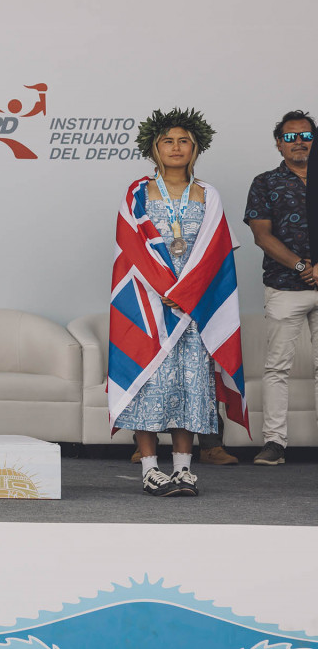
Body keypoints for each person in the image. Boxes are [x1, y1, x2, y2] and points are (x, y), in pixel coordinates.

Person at [108, 109, 248, 496]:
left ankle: (184, 469)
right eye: (167, 141)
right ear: (153, 148)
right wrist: (163, 290)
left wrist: (188, 293)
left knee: (190, 385)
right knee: (147, 381)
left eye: (183, 140)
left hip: (194, 307)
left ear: (195, 147)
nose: (175, 147)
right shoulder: (137, 193)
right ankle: (150, 469)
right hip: (148, 303)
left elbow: (218, 252)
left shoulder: (208, 194)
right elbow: (131, 249)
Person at [244, 110, 318, 466]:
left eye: (305, 135)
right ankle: (275, 443)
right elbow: (261, 235)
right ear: (279, 144)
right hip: (285, 287)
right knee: (277, 368)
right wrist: (303, 267)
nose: (298, 142)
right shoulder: (265, 183)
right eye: (290, 137)